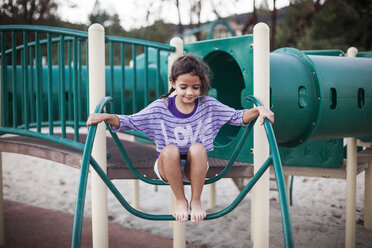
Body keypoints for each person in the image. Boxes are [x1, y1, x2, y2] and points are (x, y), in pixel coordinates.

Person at [86, 54, 274, 223]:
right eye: (183, 87)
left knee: (198, 148)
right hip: (167, 165)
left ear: (202, 86)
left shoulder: (207, 105)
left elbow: (236, 116)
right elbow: (132, 121)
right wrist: (106, 117)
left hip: (197, 166)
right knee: (170, 150)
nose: (190, 92)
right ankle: (181, 200)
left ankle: (196, 200)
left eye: (196, 87)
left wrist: (259, 110)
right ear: (173, 83)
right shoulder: (160, 107)